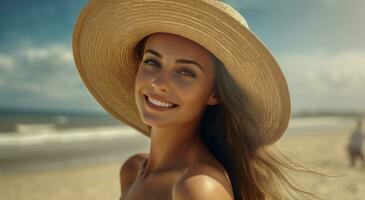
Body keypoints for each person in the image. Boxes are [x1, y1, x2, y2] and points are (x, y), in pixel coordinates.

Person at [72, 0, 316, 199]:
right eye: (151, 62)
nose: (158, 82)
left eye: (185, 72)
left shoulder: (197, 188)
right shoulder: (132, 169)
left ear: (215, 94)